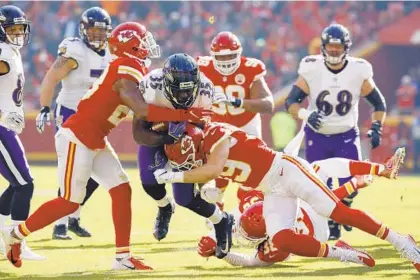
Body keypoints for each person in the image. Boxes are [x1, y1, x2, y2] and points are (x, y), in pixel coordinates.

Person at [1, 22, 210, 270]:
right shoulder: (126, 66)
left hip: (96, 138)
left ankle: (122, 257)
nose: (147, 45)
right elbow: (142, 110)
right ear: (132, 44)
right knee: (70, 202)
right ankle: (16, 234)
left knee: (122, 189)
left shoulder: (133, 66)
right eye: (143, 40)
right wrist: (185, 114)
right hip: (77, 137)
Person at [154, 122, 419, 272]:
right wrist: (217, 190)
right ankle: (341, 254)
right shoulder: (208, 151)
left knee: (336, 211)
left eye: (187, 161)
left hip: (285, 170)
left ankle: (401, 242)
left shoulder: (216, 134)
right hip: (272, 188)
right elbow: (219, 172)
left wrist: (174, 178)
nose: (188, 166)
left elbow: (213, 167)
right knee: (281, 238)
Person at [196, 156, 401, 266]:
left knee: (317, 178)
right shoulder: (265, 209)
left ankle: (342, 251)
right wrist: (354, 184)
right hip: (312, 224)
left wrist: (220, 253)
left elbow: (249, 261)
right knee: (319, 169)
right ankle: (377, 169)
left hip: (316, 228)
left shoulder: (272, 243)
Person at [285, 24, 387, 239]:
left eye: (337, 47)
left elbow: (378, 104)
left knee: (354, 184)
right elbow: (291, 101)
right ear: (323, 46)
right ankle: (333, 223)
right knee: (320, 187)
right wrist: (306, 115)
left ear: (346, 48)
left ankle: (342, 210)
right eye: (329, 46)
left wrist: (377, 127)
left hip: (346, 135)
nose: (332, 50)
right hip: (316, 136)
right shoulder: (311, 68)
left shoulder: (358, 70)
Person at [133, 53, 234, 259]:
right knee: (149, 182)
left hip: (187, 137)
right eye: (178, 92)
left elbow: (207, 135)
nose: (183, 97)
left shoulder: (206, 90)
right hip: (157, 132)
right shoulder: (151, 85)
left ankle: (222, 220)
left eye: (188, 91)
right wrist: (165, 138)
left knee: (185, 198)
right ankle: (164, 207)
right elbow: (138, 133)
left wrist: (202, 177)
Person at [36, 6, 113, 240]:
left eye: (102, 31)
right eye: (94, 30)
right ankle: (60, 225)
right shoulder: (74, 51)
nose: (98, 35)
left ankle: (73, 217)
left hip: (95, 119)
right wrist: (44, 108)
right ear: (83, 29)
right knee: (69, 170)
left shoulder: (111, 53)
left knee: (95, 174)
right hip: (69, 113)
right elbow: (51, 78)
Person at [197, 31, 274, 207]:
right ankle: (218, 221)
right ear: (212, 56)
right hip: (216, 127)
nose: (226, 61)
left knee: (253, 178)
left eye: (230, 56)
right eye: (221, 57)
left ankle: (249, 217)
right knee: (214, 183)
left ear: (239, 53)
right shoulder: (202, 68)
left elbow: (268, 104)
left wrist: (236, 102)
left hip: (246, 125)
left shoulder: (250, 68)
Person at [0, 5, 44, 261]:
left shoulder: (11, 52)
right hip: (1, 128)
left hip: (7, 127)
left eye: (19, 29)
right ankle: (17, 243)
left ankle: (5, 236)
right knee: (25, 185)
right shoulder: (4, 54)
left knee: (16, 185)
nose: (17, 33)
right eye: (11, 29)